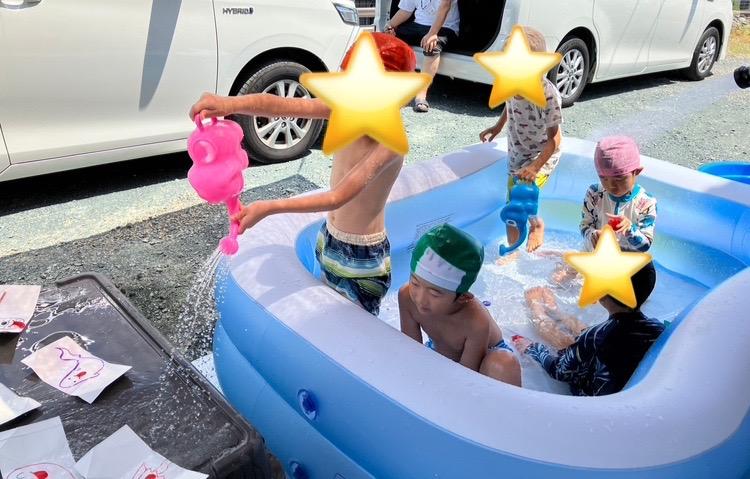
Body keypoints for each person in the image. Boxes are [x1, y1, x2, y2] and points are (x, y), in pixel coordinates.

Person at [188, 33, 417, 316]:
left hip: (361, 258)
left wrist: (268, 207)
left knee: (353, 329)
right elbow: (281, 105)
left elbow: (337, 197)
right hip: (329, 238)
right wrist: (228, 104)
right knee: (328, 317)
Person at [398, 224, 522, 386]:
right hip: (441, 351)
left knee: (503, 364)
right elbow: (411, 351)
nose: (420, 299)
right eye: (415, 283)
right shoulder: (407, 296)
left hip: (483, 360)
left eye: (434, 294)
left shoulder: (476, 322)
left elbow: (466, 379)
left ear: (463, 297)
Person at [513, 263, 663, 396]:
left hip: (595, 396)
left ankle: (538, 310)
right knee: (595, 333)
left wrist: (534, 348)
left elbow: (559, 371)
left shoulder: (594, 338)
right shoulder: (657, 327)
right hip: (627, 378)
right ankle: (557, 312)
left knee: (572, 344)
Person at [479, 26, 563, 257]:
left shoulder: (547, 95)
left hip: (542, 156)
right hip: (517, 153)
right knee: (512, 204)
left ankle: (536, 224)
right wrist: (497, 127)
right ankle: (513, 250)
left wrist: (535, 167)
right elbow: (510, 106)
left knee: (522, 194)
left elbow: (555, 139)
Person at [553, 135, 657, 284]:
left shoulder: (645, 202)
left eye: (619, 179)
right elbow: (584, 225)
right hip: (591, 254)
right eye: (604, 178)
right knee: (558, 282)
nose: (611, 185)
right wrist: (593, 234)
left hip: (622, 266)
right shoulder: (595, 193)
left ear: (636, 172)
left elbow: (645, 245)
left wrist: (630, 229)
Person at [384, 0, 459, 112]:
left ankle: (421, 96)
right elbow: (405, 10)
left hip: (445, 27)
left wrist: (432, 34)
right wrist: (389, 27)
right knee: (390, 41)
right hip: (418, 25)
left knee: (432, 45)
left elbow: (445, 6)